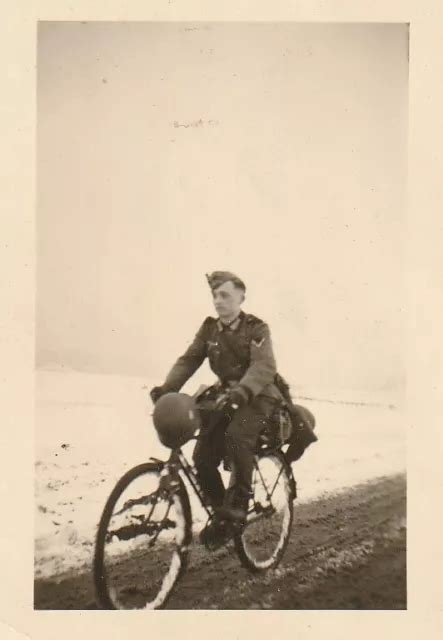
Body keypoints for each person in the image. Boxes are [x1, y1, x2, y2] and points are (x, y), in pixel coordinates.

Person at [150, 271, 316, 533]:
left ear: (241, 297)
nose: (218, 301)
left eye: (225, 295)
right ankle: (221, 516)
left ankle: (237, 508)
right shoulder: (209, 329)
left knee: (239, 437)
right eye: (215, 295)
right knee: (202, 456)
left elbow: (264, 365)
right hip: (226, 396)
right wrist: (167, 388)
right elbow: (189, 360)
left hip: (259, 395)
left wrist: (242, 391)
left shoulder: (256, 328)